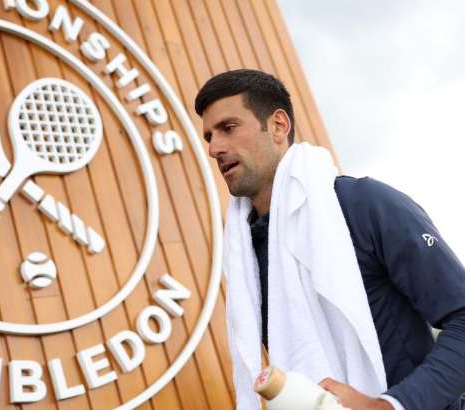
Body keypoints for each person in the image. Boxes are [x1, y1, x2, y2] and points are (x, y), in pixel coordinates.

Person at [195, 69, 465, 410]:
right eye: (208, 137)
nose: (214, 148)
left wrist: (392, 404)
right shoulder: (247, 258)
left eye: (228, 128)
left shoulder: (364, 205)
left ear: (278, 126)